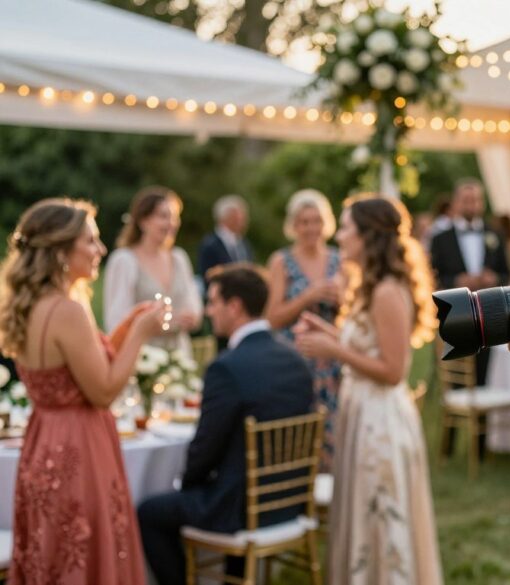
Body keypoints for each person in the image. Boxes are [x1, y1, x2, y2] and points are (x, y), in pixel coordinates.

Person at [0, 198, 168, 584]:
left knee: (53, 551)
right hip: (79, 447)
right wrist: (141, 335)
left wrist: (122, 332)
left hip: (43, 440)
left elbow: (78, 372)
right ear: (61, 250)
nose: (101, 250)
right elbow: (103, 391)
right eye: (91, 241)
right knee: (83, 549)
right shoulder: (67, 311)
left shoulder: (32, 306)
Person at [293, 195, 442, 585]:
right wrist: (324, 330)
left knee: (379, 515)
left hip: (381, 423)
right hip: (361, 413)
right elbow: (365, 344)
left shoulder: (388, 292)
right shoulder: (368, 285)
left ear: (367, 236)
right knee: (361, 512)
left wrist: (333, 350)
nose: (339, 236)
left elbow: (393, 371)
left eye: (346, 228)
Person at [136, 264, 314, 585]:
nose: (208, 310)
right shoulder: (296, 361)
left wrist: (187, 485)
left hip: (239, 510)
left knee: (149, 512)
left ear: (235, 307)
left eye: (214, 302)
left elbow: (204, 450)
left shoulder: (226, 368)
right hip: (290, 503)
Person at [265, 188, 342, 471]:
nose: (311, 228)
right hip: (293, 357)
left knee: (332, 426)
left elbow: (352, 315)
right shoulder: (281, 261)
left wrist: (341, 300)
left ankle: (330, 489)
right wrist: (307, 296)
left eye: (316, 221)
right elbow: (272, 318)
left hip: (331, 359)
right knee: (297, 429)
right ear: (294, 226)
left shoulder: (339, 259)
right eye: (304, 222)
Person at [104, 186, 203, 358]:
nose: (171, 223)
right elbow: (116, 321)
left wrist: (191, 317)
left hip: (180, 356)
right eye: (164, 216)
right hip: (142, 357)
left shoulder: (179, 258)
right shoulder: (125, 260)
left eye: (174, 217)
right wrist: (164, 323)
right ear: (143, 220)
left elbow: (193, 304)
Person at [431, 178, 510, 387]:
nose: (471, 205)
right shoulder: (440, 238)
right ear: (455, 203)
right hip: (454, 315)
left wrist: (494, 278)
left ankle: (484, 418)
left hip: (490, 313)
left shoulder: (495, 234)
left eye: (475, 200)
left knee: (487, 374)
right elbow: (432, 276)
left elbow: (506, 273)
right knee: (458, 377)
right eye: (466, 200)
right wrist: (456, 280)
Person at [197, 194, 254, 282]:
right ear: (226, 218)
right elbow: (207, 275)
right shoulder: (210, 244)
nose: (243, 221)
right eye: (238, 217)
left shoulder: (243, 243)